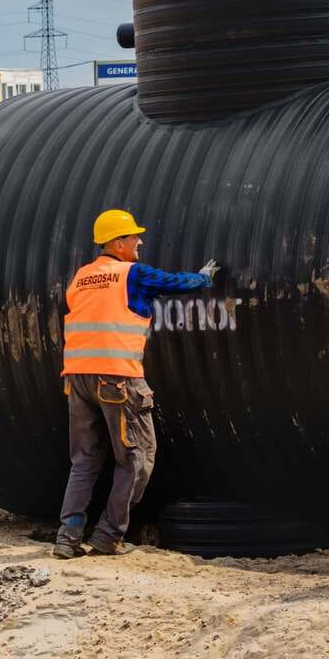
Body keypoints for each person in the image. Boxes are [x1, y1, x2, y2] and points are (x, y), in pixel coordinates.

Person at [52, 209, 217, 559]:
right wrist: (203, 278)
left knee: (84, 461)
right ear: (117, 243)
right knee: (137, 457)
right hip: (118, 378)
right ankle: (108, 535)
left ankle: (67, 538)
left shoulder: (80, 278)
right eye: (133, 236)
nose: (140, 241)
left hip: (77, 379)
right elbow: (173, 283)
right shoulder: (132, 274)